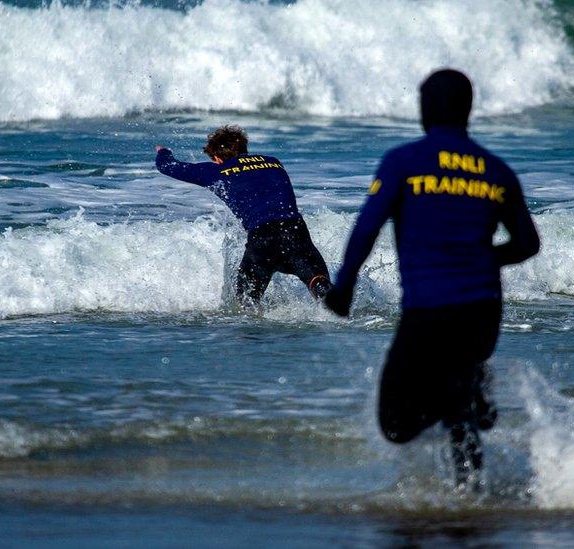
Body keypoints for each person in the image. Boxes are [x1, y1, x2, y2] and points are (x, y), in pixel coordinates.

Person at [324, 69, 540, 489]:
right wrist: (482, 259)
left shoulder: (404, 161)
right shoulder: (496, 170)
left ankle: (463, 399)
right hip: (483, 310)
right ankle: (469, 491)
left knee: (396, 425)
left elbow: (367, 227)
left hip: (428, 311)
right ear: (468, 110)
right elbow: (528, 244)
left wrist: (344, 287)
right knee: (460, 405)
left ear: (424, 109)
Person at [155, 126, 332, 308]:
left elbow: (167, 166)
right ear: (243, 148)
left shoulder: (216, 171)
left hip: (262, 239)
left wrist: (163, 151)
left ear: (217, 158)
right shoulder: (274, 162)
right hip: (295, 232)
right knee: (318, 283)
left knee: (245, 307)